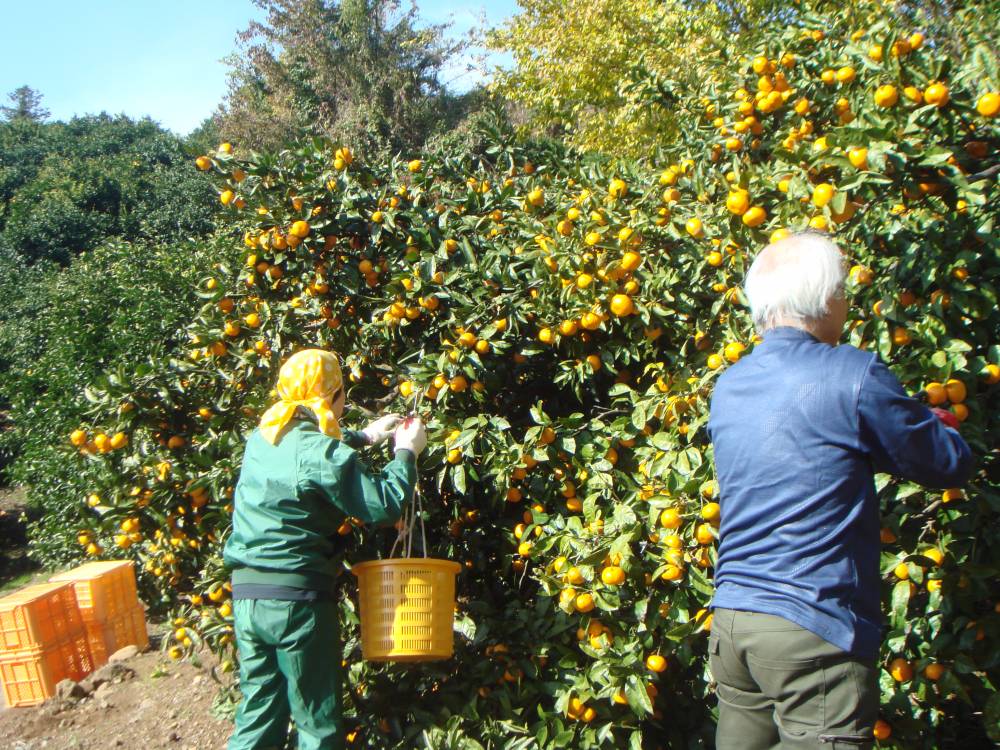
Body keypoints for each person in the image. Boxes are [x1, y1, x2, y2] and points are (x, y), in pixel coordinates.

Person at [707, 233, 973, 749]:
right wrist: (943, 425)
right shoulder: (852, 373)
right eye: (844, 293)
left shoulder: (730, 385)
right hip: (811, 625)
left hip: (734, 619)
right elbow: (943, 463)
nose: (847, 305)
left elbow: (803, 453)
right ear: (824, 299)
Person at [223, 348, 426, 750]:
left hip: (247, 597)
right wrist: (406, 452)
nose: (344, 401)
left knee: (258, 715)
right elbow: (381, 503)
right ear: (330, 395)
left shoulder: (262, 438)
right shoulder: (320, 452)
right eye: (341, 393)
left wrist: (367, 436)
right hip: (296, 603)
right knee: (316, 723)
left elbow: (312, 448)